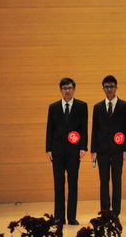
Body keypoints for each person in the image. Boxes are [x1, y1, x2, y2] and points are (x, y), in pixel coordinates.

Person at [45, 77, 88, 225]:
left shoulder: (81, 106)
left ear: (74, 89)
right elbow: (50, 128)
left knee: (73, 184)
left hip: (74, 151)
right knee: (58, 184)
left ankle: (71, 217)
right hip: (57, 151)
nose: (67, 91)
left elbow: (83, 128)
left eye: (69, 88)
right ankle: (59, 217)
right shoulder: (54, 107)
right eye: (64, 88)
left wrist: (83, 147)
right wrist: (48, 149)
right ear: (61, 90)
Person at [90, 75, 126, 217]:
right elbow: (95, 129)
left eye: (112, 86)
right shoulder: (98, 107)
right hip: (102, 150)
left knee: (117, 180)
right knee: (104, 181)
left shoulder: (124, 106)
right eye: (107, 87)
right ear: (103, 88)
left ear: (116, 88)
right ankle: (105, 210)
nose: (109, 89)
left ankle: (116, 210)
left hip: (118, 149)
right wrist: (93, 150)